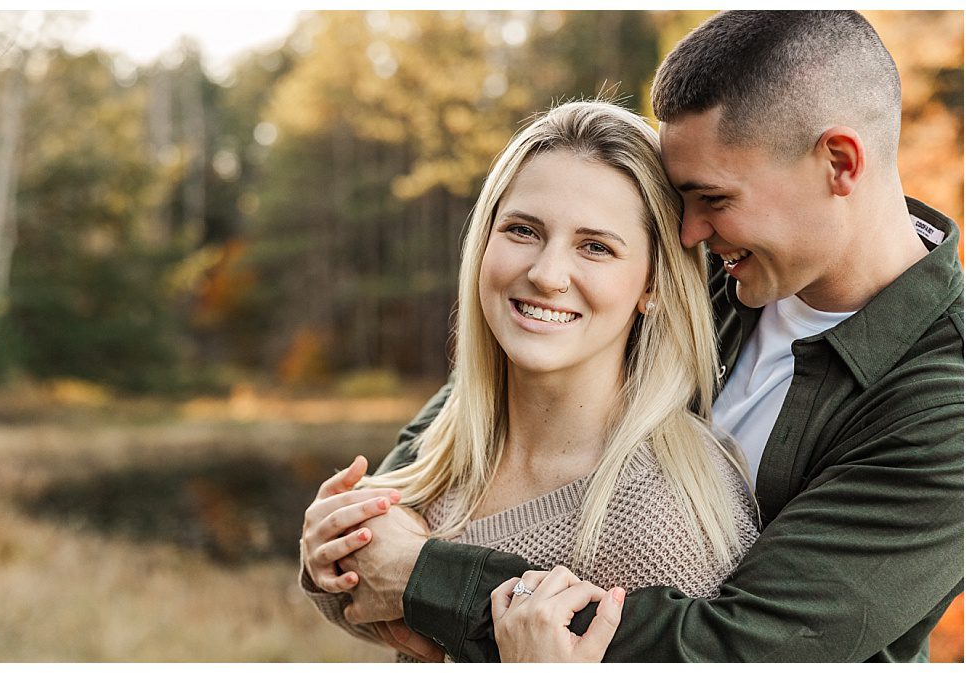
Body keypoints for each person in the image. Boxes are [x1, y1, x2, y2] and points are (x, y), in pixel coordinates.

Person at [302, 10, 963, 663]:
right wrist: (359, 527)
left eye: (714, 199)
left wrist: (428, 581)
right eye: (681, 200)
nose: (688, 233)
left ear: (840, 162)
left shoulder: (946, 409)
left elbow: (741, 648)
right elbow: (490, 394)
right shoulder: (722, 268)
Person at [298, 100, 760, 661]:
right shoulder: (452, 445)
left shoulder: (661, 519)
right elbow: (380, 601)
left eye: (596, 247)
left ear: (653, 285)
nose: (545, 274)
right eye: (523, 230)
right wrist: (332, 551)